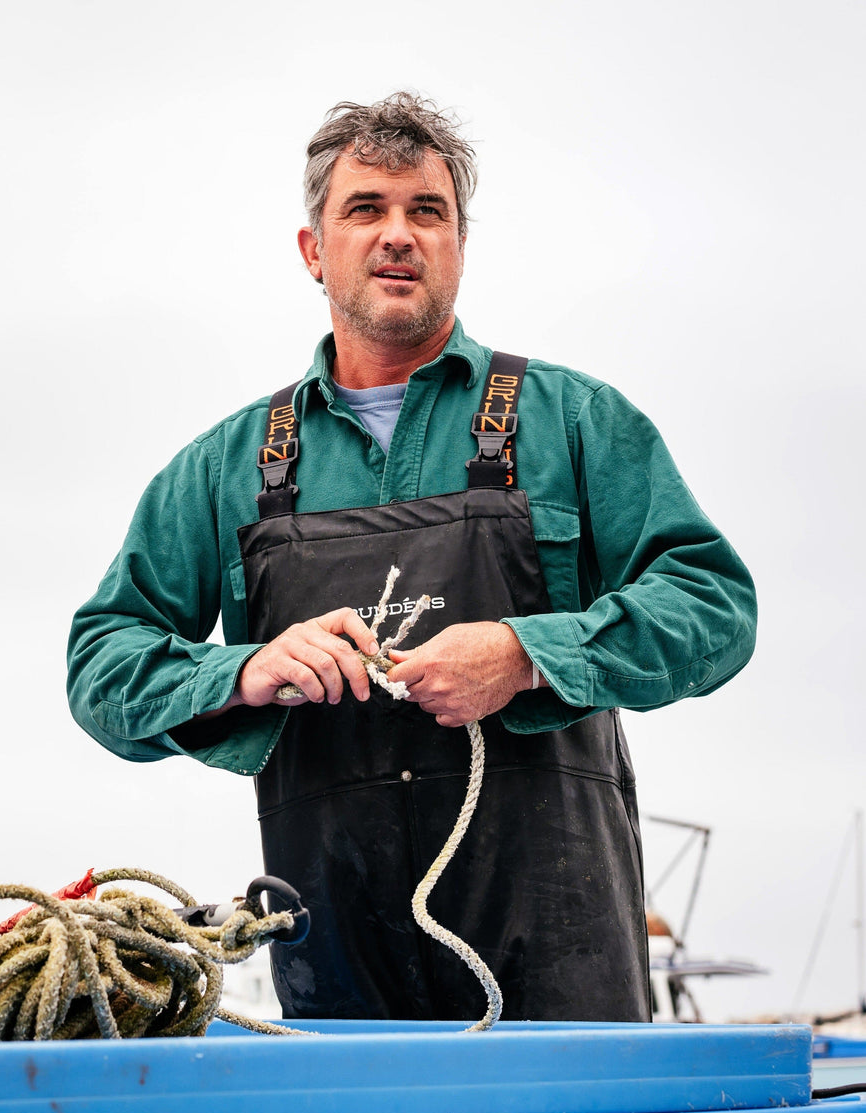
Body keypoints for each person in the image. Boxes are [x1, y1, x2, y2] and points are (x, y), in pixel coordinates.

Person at [67, 92, 756, 1023]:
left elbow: (713, 606)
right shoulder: (221, 471)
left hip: (564, 966)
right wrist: (246, 670)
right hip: (335, 970)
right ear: (314, 250)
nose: (398, 233)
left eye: (426, 211)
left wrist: (525, 655)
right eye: (366, 210)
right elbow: (102, 663)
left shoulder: (579, 421)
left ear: (459, 244)